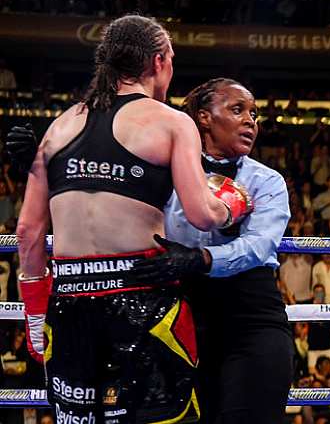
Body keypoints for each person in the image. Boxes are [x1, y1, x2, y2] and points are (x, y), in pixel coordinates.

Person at [16, 15, 246, 423]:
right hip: (142, 298)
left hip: (70, 302)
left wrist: (36, 317)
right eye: (172, 59)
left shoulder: (59, 127)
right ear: (159, 61)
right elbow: (201, 215)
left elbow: (29, 231)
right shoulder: (172, 122)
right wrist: (233, 204)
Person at [129, 78, 293, 423]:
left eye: (254, 114)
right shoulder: (163, 174)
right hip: (182, 316)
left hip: (252, 316)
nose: (251, 121)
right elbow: (106, 200)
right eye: (238, 110)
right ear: (204, 117)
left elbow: (259, 245)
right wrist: (40, 166)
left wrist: (200, 258)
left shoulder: (267, 181)